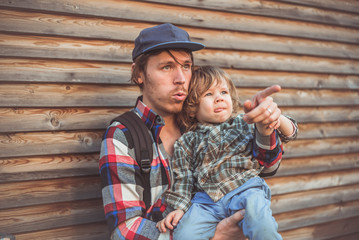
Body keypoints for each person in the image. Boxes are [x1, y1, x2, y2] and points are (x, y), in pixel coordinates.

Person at [99, 23, 250, 240]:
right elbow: (124, 231)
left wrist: (268, 125)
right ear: (139, 73)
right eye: (167, 67)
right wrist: (212, 235)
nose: (181, 78)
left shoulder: (202, 123)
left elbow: (264, 166)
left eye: (186, 66)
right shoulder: (123, 135)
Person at [156, 66, 298, 240]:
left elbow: (288, 133)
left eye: (224, 92)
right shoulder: (187, 141)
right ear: (192, 107)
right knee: (184, 233)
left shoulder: (243, 123)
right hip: (206, 201)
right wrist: (180, 207)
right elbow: (184, 179)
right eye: (208, 94)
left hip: (246, 189)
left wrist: (275, 119)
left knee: (261, 225)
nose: (219, 99)